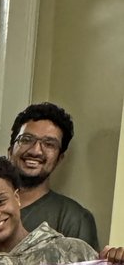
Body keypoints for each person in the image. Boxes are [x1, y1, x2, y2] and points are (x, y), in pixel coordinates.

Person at [7, 102, 99, 248]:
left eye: (49, 144)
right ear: (10, 149)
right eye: (26, 139)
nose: (35, 151)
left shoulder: (74, 219)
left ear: (59, 158)